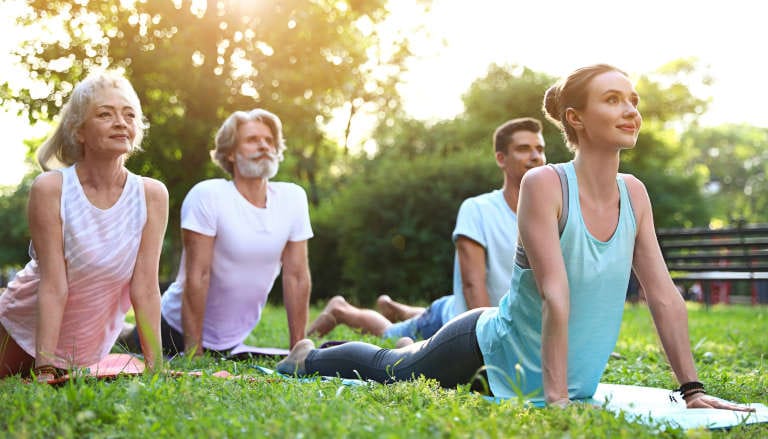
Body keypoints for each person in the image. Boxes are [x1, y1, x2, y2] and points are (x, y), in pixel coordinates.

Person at [276, 64, 755, 411]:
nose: (630, 110)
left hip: (555, 370)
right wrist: (556, 399)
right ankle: (306, 357)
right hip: (485, 347)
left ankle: (403, 342)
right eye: (613, 99)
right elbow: (553, 291)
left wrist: (692, 390)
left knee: (404, 357)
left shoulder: (634, 193)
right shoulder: (545, 184)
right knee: (391, 369)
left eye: (633, 100)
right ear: (575, 117)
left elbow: (664, 295)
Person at [306, 118, 546, 343]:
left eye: (540, 149)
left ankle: (400, 309)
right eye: (524, 149)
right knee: (389, 333)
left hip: (469, 307)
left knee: (430, 311)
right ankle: (342, 310)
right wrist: (490, 342)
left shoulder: (550, 216)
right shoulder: (478, 209)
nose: (535, 156)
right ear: (501, 158)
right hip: (458, 318)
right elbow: (472, 286)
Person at [0, 71, 168, 381]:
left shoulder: (152, 195)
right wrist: (45, 366)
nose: (121, 122)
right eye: (106, 114)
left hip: (84, 344)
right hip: (21, 324)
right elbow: (53, 283)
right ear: (79, 132)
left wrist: (156, 367)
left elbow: (145, 287)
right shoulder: (51, 189)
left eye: (129, 114)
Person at [120, 108, 312, 357]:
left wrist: (298, 351)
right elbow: (197, 275)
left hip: (231, 341)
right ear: (230, 153)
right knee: (124, 338)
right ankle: (117, 328)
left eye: (269, 140)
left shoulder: (293, 198)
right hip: (173, 330)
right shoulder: (209, 195)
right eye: (252, 140)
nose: (264, 146)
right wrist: (194, 352)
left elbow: (297, 277)